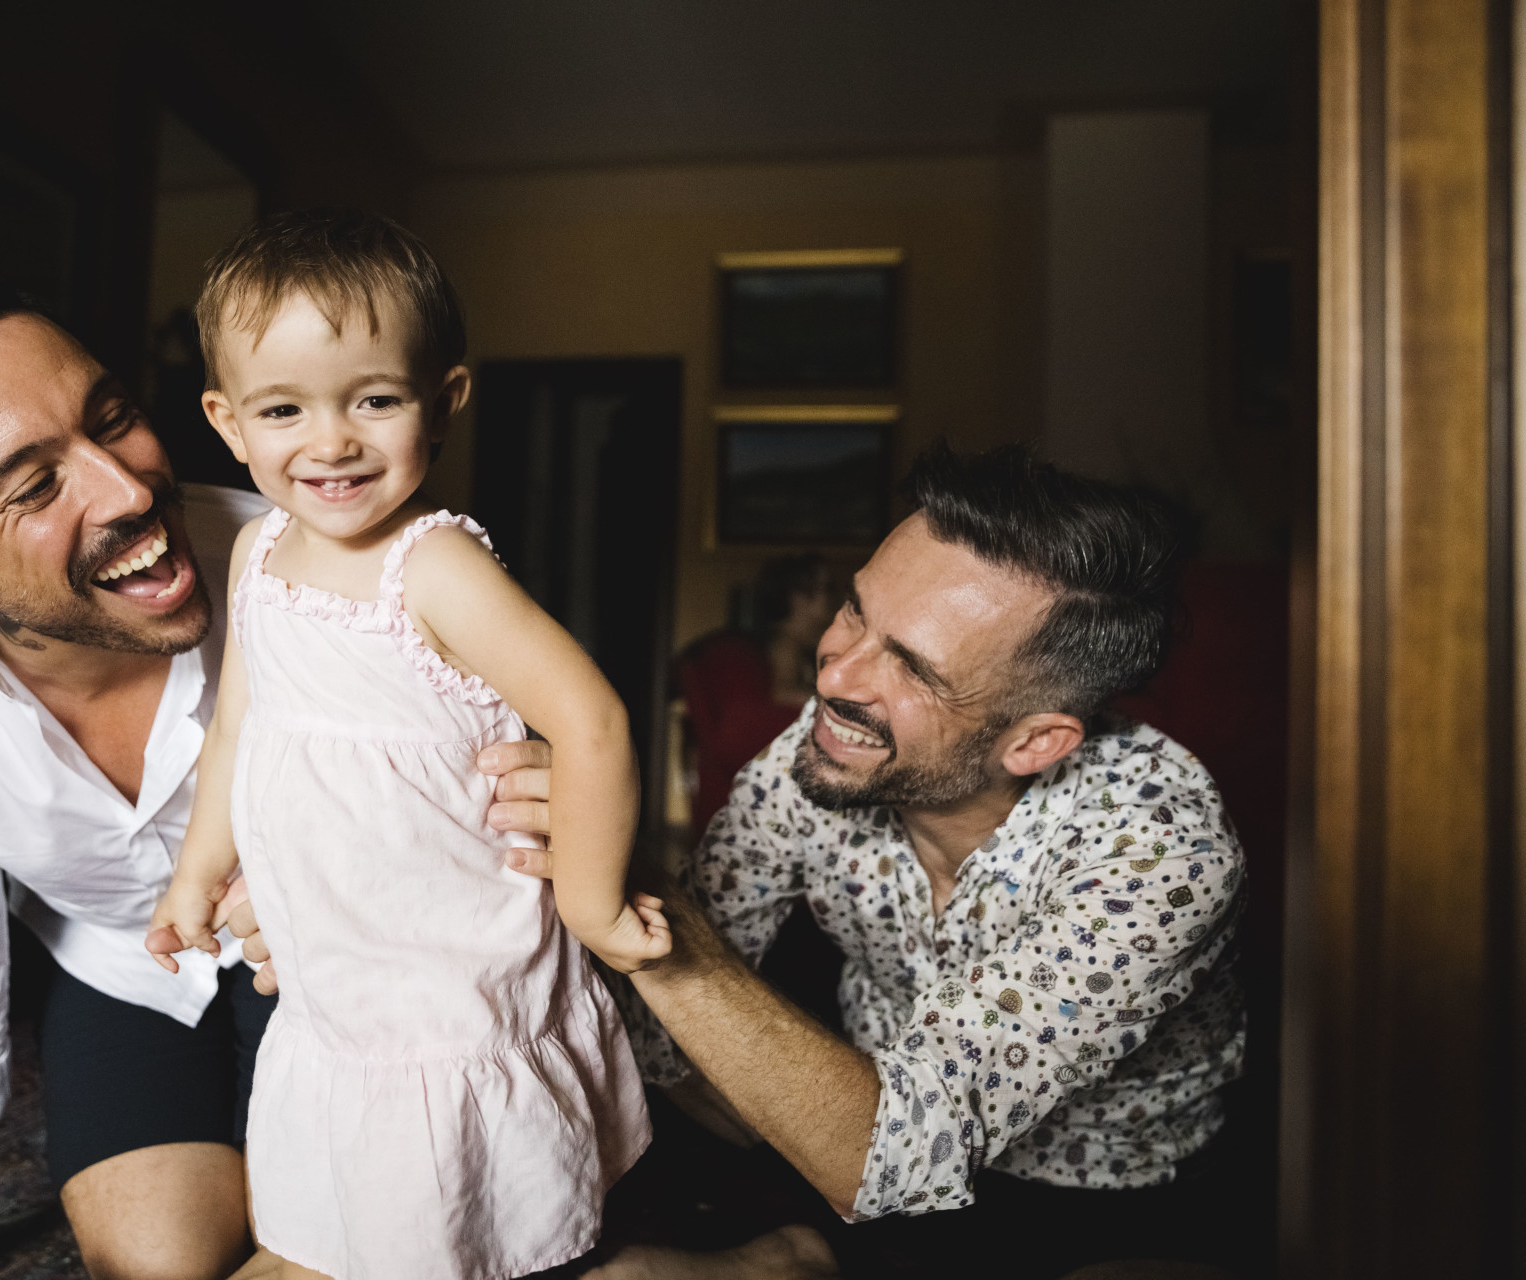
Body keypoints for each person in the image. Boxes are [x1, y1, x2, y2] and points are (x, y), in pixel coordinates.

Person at [0, 247, 551, 1280]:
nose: (130, 485)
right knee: (150, 1266)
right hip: (128, 966)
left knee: (343, 1250)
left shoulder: (328, 575)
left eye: (112, 414)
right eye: (36, 483)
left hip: (360, 960)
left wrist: (523, 800)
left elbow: (497, 817)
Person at [407, 446, 1251, 1278]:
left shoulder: (1163, 849)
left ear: (1035, 742)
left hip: (1097, 1203)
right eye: (854, 612)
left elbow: (897, 1158)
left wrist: (625, 875)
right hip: (838, 1142)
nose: (837, 673)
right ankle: (808, 1252)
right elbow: (661, 1035)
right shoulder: (837, 742)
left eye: (913, 667)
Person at [146, 210, 663, 1280]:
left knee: (450, 1213)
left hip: (446, 959)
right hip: (338, 961)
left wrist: (594, 903)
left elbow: (591, 716)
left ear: (447, 401)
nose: (330, 442)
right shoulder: (253, 551)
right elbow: (240, 723)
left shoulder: (433, 569)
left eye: (374, 400)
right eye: (284, 408)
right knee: (351, 1206)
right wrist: (197, 866)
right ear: (229, 423)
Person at [678, 554, 840, 833]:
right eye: (824, 591)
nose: (830, 603)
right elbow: (782, 696)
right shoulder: (785, 645)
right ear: (797, 598)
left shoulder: (788, 645)